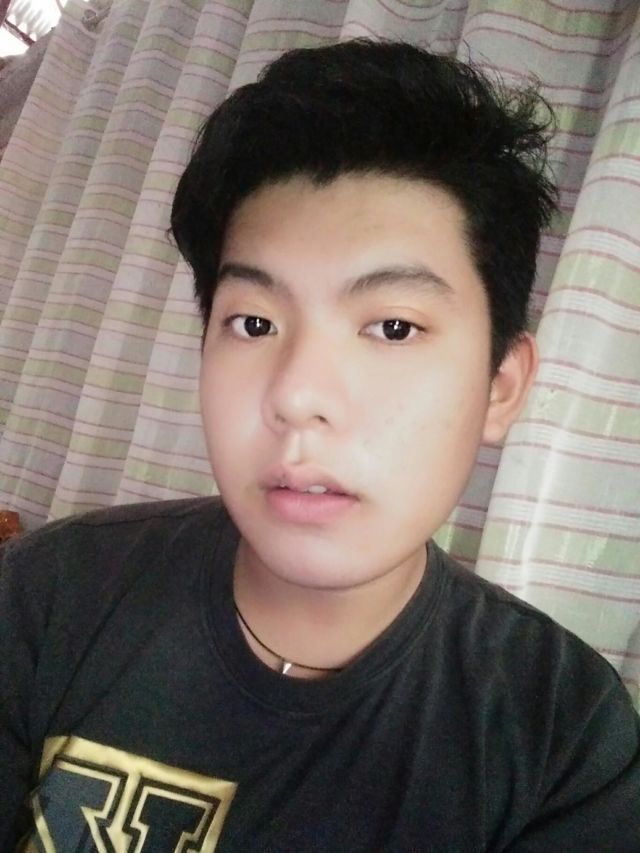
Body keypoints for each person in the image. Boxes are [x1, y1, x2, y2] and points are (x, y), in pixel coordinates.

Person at [1, 39, 638, 852]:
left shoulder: (561, 737)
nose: (298, 393)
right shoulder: (49, 593)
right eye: (254, 322)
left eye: (394, 326)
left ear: (501, 385)